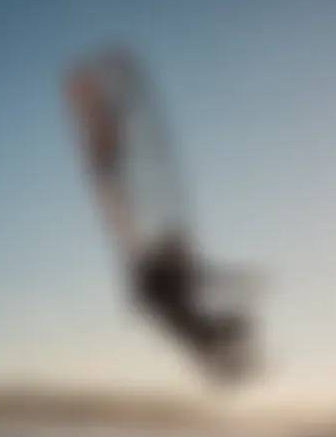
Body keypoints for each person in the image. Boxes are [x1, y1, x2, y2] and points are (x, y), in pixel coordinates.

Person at [66, 57, 256, 381]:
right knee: (115, 181)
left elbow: (195, 288)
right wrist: (234, 282)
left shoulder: (184, 306)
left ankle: (102, 111)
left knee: (115, 183)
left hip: (155, 283)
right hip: (156, 284)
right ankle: (102, 111)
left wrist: (232, 284)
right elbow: (201, 286)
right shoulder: (185, 304)